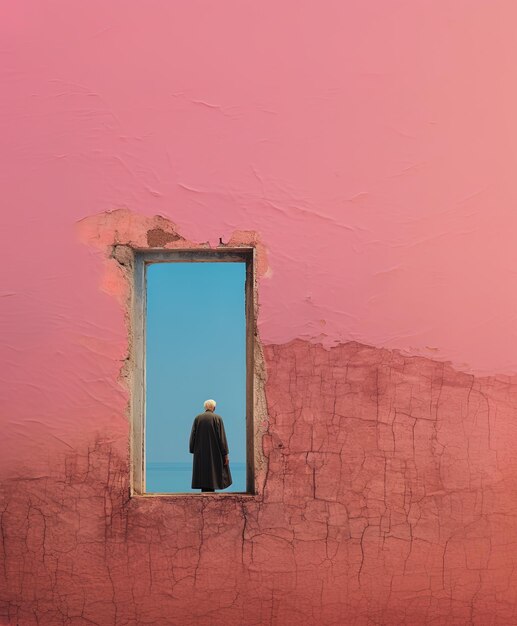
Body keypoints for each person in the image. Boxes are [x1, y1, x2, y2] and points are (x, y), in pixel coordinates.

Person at [189, 399, 232, 492]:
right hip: (215, 453)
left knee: (203, 475)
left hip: (200, 453)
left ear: (205, 407)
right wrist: (226, 454)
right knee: (213, 474)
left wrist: (193, 449)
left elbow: (193, 435)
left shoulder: (198, 418)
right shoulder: (218, 418)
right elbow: (222, 438)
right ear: (214, 408)